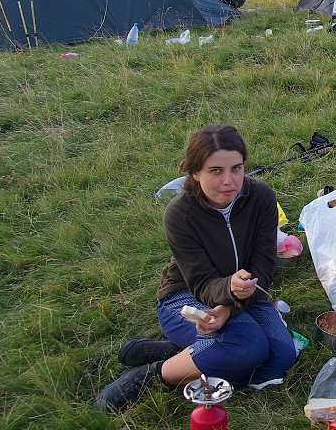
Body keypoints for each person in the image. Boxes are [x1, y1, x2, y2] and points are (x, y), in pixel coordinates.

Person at [95, 125, 297, 413]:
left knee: (281, 358)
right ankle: (155, 374)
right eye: (215, 171)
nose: (229, 181)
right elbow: (201, 282)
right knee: (248, 347)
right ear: (194, 172)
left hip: (246, 294)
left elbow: (263, 266)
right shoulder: (180, 214)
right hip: (186, 294)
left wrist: (231, 305)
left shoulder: (261, 197)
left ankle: (186, 352)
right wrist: (228, 296)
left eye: (237, 168)